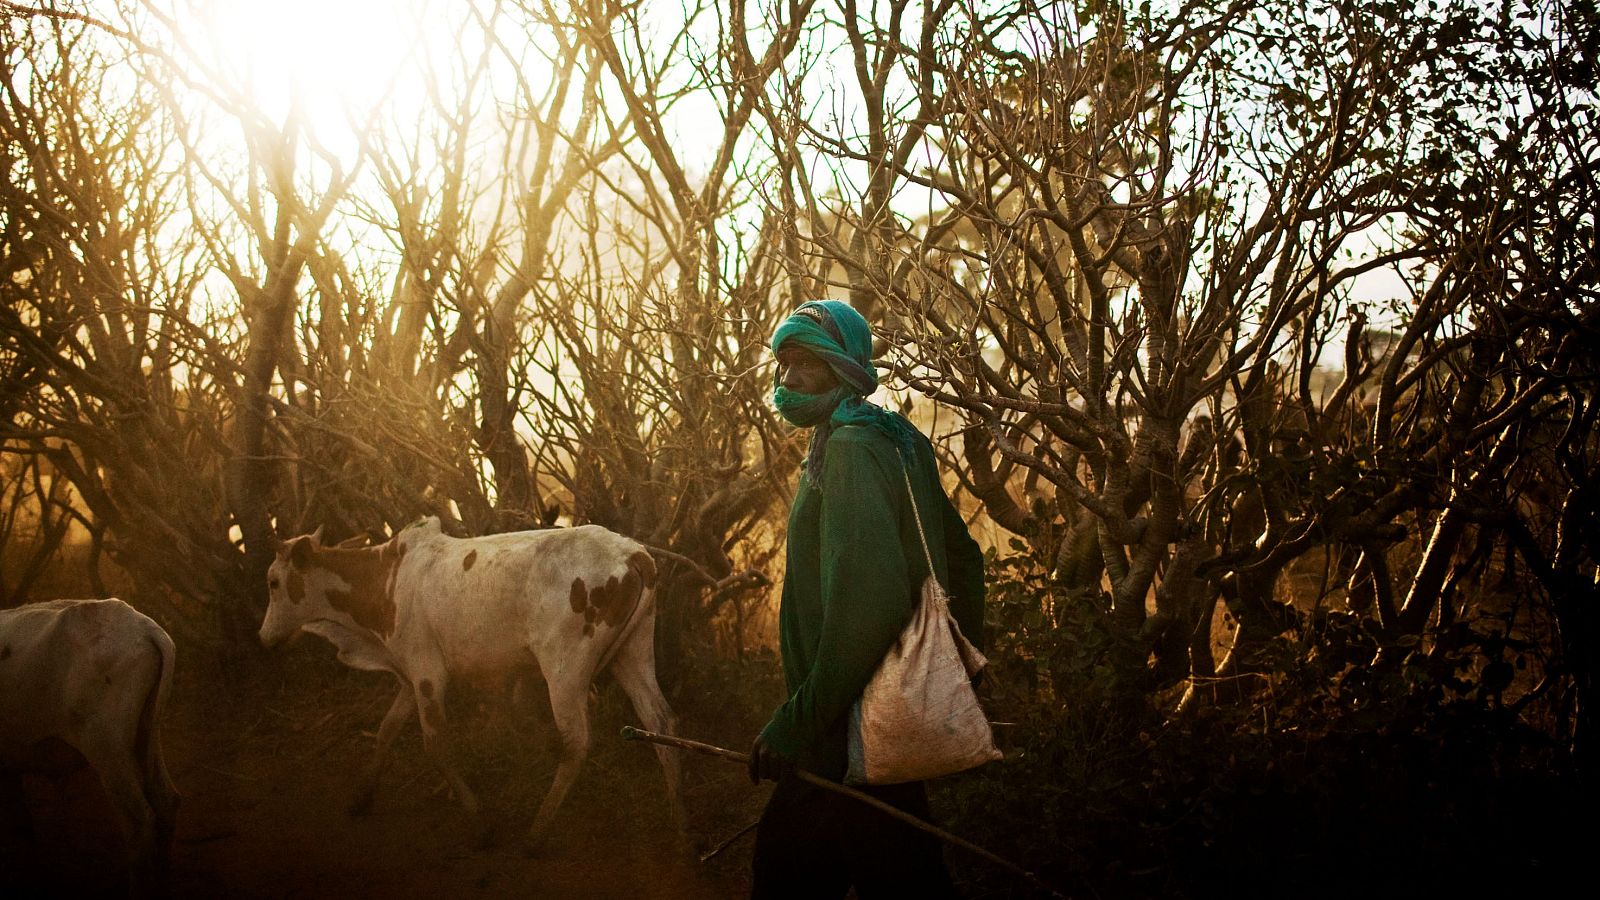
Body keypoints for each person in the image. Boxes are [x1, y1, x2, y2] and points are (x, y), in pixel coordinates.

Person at [747, 299, 987, 899]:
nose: (788, 378)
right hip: (884, 706)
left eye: (806, 363)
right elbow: (964, 558)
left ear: (844, 366)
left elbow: (868, 609)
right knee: (901, 873)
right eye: (783, 363)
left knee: (786, 873)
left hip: (847, 720)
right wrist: (952, 663)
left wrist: (797, 721)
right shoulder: (894, 436)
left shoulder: (851, 449)